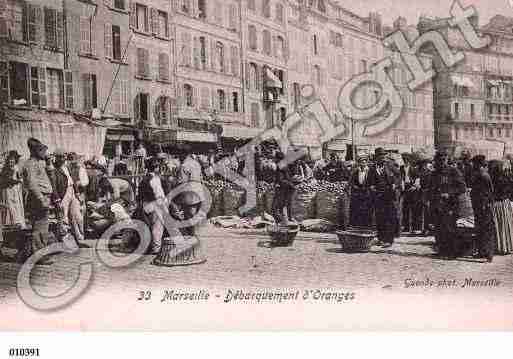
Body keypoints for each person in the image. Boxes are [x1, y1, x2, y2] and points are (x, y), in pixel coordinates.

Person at [429, 149, 466, 259]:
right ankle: (442, 250)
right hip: (437, 204)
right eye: (438, 160)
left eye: (443, 160)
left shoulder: (454, 171)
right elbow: (431, 188)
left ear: (447, 160)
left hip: (450, 205)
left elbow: (462, 187)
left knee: (450, 229)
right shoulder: (434, 173)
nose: (441, 162)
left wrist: (449, 194)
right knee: (439, 228)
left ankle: (451, 252)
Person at [22, 138, 54, 265]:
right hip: (38, 198)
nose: (44, 153)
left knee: (43, 227)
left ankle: (39, 253)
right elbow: (32, 184)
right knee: (39, 228)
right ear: (35, 151)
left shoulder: (39, 163)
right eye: (41, 150)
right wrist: (41, 199)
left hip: (44, 196)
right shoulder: (30, 164)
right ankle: (38, 255)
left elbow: (51, 175)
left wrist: (48, 162)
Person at [367, 148, 400, 248]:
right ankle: (381, 238)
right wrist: (371, 186)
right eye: (380, 156)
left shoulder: (390, 165)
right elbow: (369, 181)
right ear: (376, 157)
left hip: (389, 195)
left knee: (389, 217)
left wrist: (395, 184)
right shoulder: (372, 168)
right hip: (378, 196)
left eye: (384, 155)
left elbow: (399, 176)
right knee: (380, 217)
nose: (383, 157)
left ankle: (389, 240)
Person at [139, 157, 173, 254]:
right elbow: (159, 195)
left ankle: (148, 246)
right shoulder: (155, 179)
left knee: (149, 226)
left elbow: (140, 195)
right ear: (156, 168)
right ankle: (156, 249)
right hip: (155, 204)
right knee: (157, 227)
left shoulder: (144, 179)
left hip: (145, 205)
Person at [53, 149, 85, 242]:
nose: (64, 158)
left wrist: (77, 193)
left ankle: (79, 236)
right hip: (63, 193)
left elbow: (73, 180)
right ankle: (64, 238)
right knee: (63, 216)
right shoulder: (54, 169)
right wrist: (57, 198)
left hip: (72, 191)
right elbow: (53, 185)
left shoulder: (67, 167)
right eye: (62, 157)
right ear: (57, 158)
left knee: (77, 215)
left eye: (64, 156)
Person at [470, 155, 496, 262]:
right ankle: (481, 252)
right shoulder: (478, 175)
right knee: (480, 229)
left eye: (474, 163)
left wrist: (487, 204)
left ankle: (489, 254)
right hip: (478, 205)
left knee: (486, 229)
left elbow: (490, 192)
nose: (473, 165)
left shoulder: (484, 176)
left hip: (484, 206)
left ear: (478, 164)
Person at [488, 160, 512, 256]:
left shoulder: (495, 179)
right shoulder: (506, 178)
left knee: (498, 225)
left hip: (497, 204)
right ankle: (506, 245)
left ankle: (499, 246)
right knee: (504, 225)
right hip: (504, 204)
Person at [0, 150, 25, 228]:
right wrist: (16, 181)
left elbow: (19, 177)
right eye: (10, 159)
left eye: (13, 159)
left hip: (15, 189)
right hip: (8, 189)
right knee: (10, 204)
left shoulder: (16, 168)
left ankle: (17, 221)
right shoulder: (5, 169)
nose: (11, 161)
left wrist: (20, 180)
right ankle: (10, 222)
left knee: (17, 204)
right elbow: (5, 180)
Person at [272, 152, 297, 225]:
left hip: (284, 188)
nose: (274, 160)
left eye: (275, 158)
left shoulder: (280, 166)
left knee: (275, 207)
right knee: (287, 205)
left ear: (277, 159)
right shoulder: (285, 165)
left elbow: (281, 179)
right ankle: (289, 219)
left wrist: (277, 184)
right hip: (289, 187)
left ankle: (281, 222)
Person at [349, 155, 372, 228]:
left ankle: (367, 223)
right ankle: (357, 223)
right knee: (357, 207)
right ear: (359, 163)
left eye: (364, 162)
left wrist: (368, 187)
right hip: (358, 190)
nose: (363, 164)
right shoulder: (356, 171)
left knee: (367, 207)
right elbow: (351, 181)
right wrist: (354, 186)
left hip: (366, 190)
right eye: (361, 162)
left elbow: (372, 180)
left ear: (366, 163)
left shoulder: (369, 171)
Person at [401, 155, 422, 233]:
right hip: (404, 189)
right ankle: (406, 227)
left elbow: (417, 178)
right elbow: (400, 178)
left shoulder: (414, 169)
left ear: (409, 161)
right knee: (405, 208)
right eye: (404, 159)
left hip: (412, 189)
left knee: (414, 209)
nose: (405, 161)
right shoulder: (401, 168)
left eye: (407, 160)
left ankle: (415, 228)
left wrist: (415, 186)